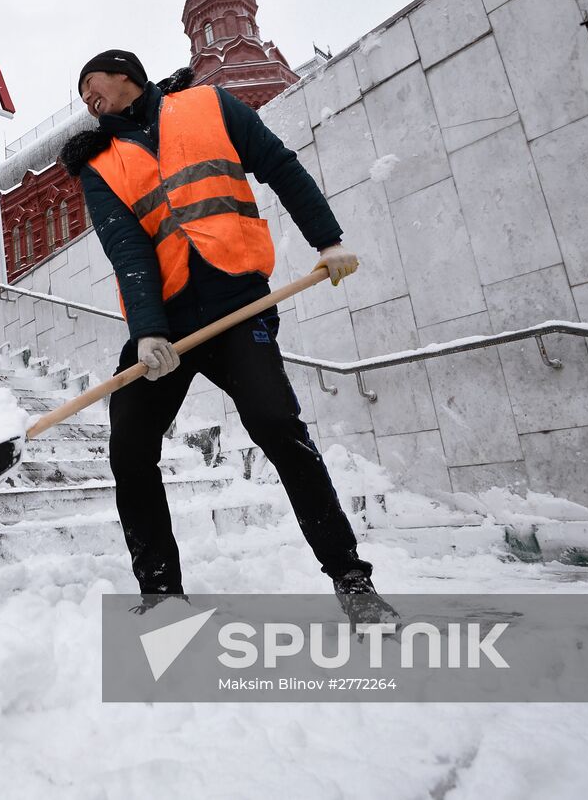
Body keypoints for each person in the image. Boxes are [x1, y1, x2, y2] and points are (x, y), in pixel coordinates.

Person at [59, 49, 395, 623]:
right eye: (82, 94)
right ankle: (162, 592)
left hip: (240, 303)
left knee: (276, 426)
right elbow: (128, 249)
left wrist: (328, 240)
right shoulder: (100, 164)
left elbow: (279, 165)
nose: (87, 99)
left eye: (92, 83)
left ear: (125, 74)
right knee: (130, 443)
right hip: (165, 324)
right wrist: (148, 334)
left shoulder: (209, 105)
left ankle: (351, 578)